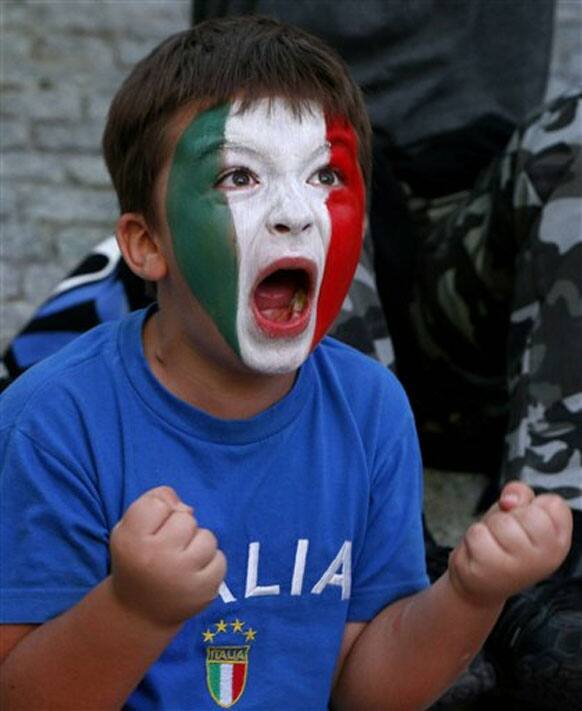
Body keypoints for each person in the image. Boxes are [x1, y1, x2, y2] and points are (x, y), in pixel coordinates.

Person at [0, 16, 573, 710]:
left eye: (324, 174)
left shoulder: (371, 409)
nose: (294, 213)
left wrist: (469, 592)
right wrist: (134, 608)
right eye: (240, 175)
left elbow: (366, 690)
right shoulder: (53, 422)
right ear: (146, 244)